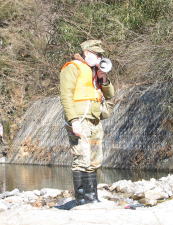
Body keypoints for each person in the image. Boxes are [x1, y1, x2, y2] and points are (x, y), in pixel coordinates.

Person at [57, 40, 115, 210]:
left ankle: (92, 196)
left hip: (94, 120)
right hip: (79, 120)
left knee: (95, 159)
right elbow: (65, 96)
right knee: (82, 157)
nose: (99, 58)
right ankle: (81, 198)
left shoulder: (96, 71)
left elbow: (110, 94)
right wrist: (73, 120)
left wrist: (103, 79)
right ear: (87, 53)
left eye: (101, 56)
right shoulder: (72, 67)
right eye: (97, 55)